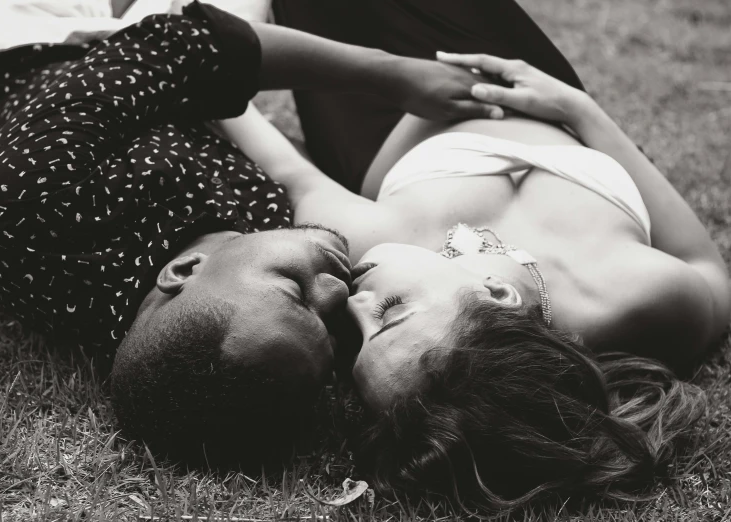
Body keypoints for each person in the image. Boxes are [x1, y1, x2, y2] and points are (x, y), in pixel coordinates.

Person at [208, 0, 731, 509]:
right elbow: (711, 271)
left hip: (370, 118)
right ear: (498, 295)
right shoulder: (628, 296)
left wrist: (196, 43)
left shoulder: (370, 236)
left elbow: (264, 141)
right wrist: (577, 107)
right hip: (527, 79)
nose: (351, 304)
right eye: (389, 314)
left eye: (358, 342)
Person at [0, 0, 503, 464]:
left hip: (15, 46)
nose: (340, 293)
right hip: (151, 69)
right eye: (330, 332)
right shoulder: (242, 303)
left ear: (183, 271)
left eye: (293, 289)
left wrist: (392, 74)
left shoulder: (31, 209)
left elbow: (186, 42)